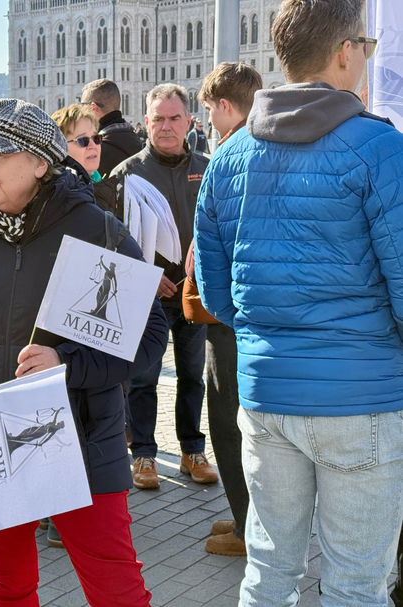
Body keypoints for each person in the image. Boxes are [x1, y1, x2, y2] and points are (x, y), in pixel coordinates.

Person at [0, 98, 168, 606]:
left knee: (116, 592)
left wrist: (67, 367)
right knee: (7, 588)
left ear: (38, 162)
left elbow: (148, 337)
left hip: (83, 441)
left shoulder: (97, 231)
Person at [194, 0, 403, 603]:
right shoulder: (378, 147)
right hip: (361, 397)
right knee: (356, 582)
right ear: (345, 52)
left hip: (267, 394)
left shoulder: (229, 156)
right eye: (365, 45)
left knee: (269, 569)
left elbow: (216, 292)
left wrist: (270, 336)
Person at [112, 84, 218, 490]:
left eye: (175, 118)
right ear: (146, 122)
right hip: (146, 295)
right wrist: (146, 273)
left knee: (193, 377)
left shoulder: (208, 167)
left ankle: (192, 451)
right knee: (143, 379)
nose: (167, 126)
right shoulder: (128, 173)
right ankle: (143, 455)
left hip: (193, 294)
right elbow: (113, 238)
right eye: (158, 118)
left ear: (190, 121)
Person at [184, 61, 263, 559]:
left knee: (228, 419)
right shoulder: (277, 146)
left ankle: (247, 526)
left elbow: (211, 252)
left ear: (226, 106)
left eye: (210, 109)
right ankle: (246, 516)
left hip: (231, 317)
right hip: (266, 316)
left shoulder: (230, 154)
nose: (208, 119)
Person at [52, 103, 121, 217]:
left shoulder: (99, 183)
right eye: (83, 140)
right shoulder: (62, 198)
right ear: (60, 148)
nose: (93, 145)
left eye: (96, 138)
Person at [81, 79, 143, 177]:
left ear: (93, 108)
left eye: (82, 106)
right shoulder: (140, 145)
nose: (81, 111)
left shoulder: (95, 152)